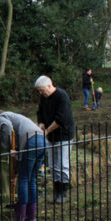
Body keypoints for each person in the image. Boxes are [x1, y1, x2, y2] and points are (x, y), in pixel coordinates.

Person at [0, 105, 45, 221]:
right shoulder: (14, 116)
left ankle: (19, 219)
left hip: (31, 141)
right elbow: (18, 152)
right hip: (42, 140)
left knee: (24, 180)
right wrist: (14, 171)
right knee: (32, 180)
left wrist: (8, 146)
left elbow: (7, 128)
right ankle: (31, 217)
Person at [34, 75, 75, 203]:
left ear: (49, 86)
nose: (41, 93)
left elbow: (60, 119)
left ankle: (63, 193)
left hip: (64, 134)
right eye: (39, 91)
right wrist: (41, 124)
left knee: (62, 163)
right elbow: (40, 112)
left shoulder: (62, 96)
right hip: (51, 136)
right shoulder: (43, 98)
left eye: (42, 90)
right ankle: (56, 192)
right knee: (53, 164)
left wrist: (47, 130)